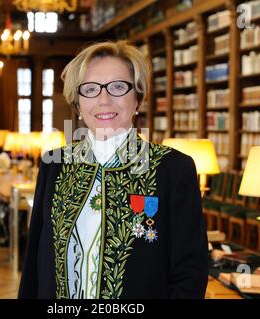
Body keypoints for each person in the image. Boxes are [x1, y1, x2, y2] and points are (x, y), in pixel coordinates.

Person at [19, 40, 208, 299]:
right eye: (90, 89)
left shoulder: (173, 169)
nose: (104, 100)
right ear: (78, 104)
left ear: (137, 98)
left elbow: (190, 272)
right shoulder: (54, 164)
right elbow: (34, 264)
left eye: (118, 87)